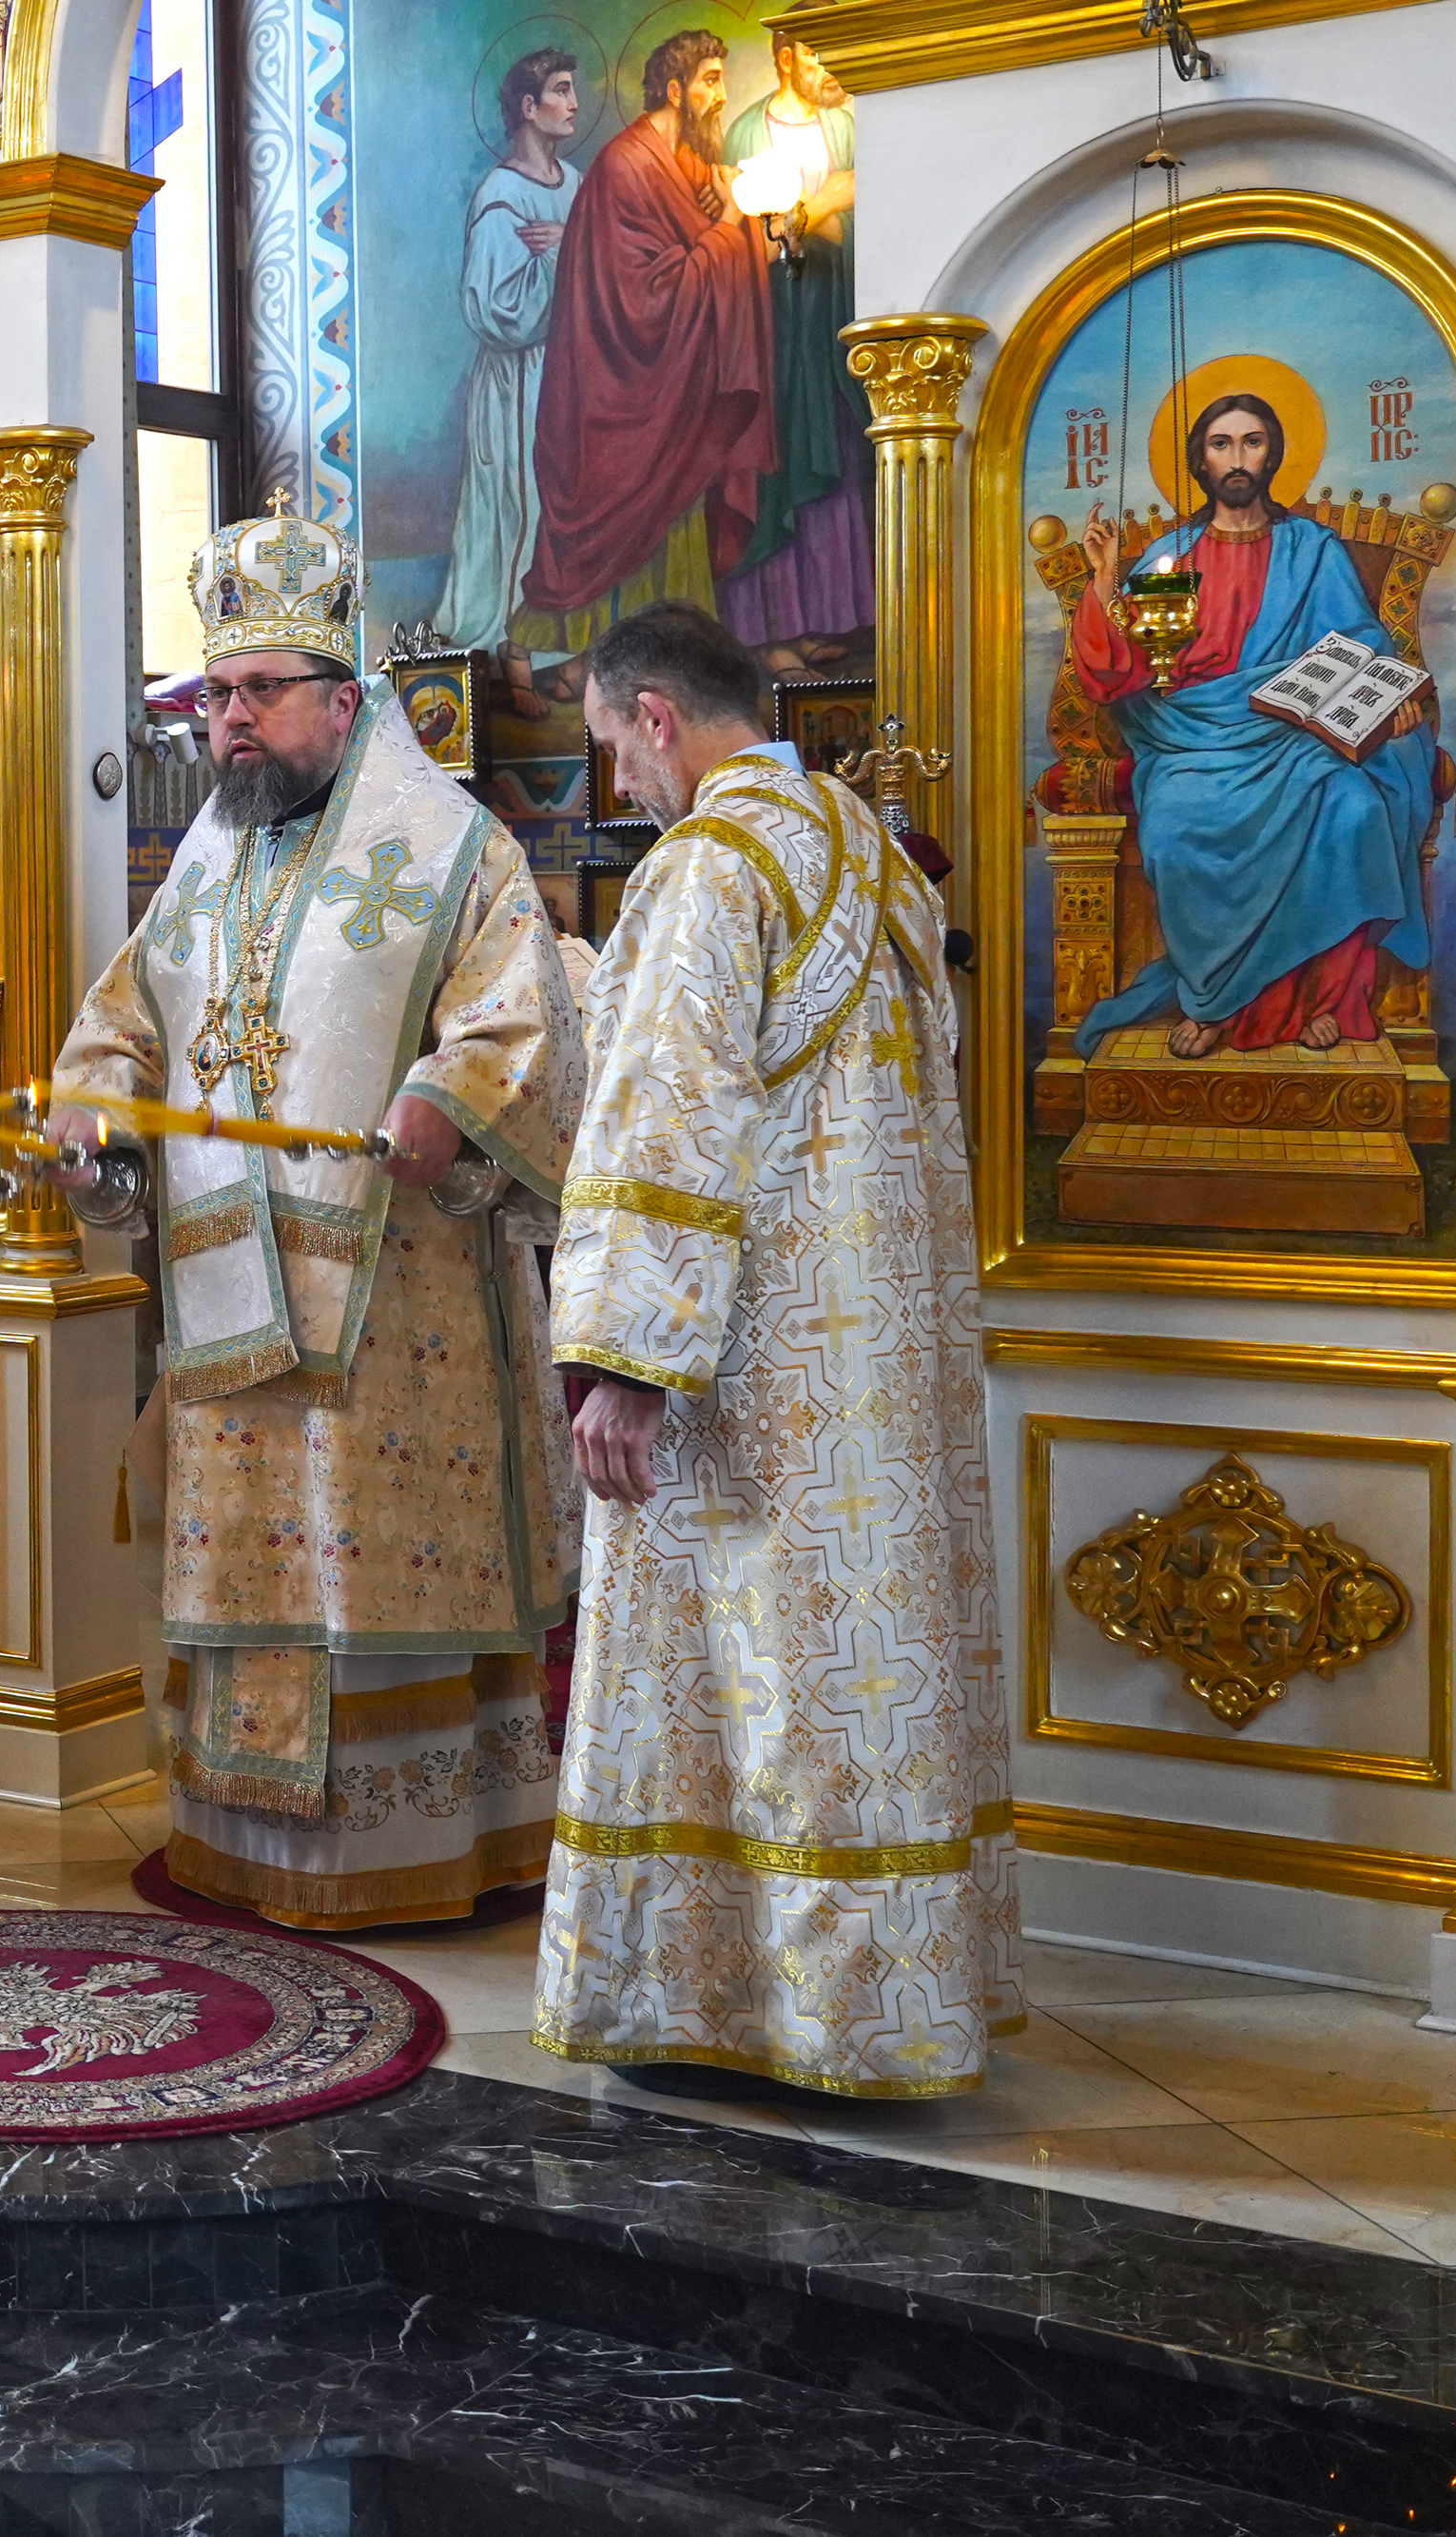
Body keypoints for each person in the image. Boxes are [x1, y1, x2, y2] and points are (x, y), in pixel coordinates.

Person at [48, 500, 584, 1927]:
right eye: (214, 696)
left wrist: (445, 1102)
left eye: (259, 693)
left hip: (398, 1314)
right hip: (230, 1316)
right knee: (245, 1563)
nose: (229, 723)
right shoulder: (202, 871)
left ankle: (423, 1852)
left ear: (346, 701)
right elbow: (121, 1034)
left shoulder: (449, 847)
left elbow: (521, 1026)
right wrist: (92, 1117)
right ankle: (244, 1847)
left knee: (374, 1567)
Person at [542, 600, 1012, 2099]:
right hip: (877, 1358)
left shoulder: (708, 867)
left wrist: (625, 1355)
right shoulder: (873, 857)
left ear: (658, 718)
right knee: (849, 1684)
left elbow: (668, 1113)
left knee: (733, 1670)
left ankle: (736, 2005)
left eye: (616, 747)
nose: (621, 784)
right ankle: (887, 2009)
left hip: (748, 1364)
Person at [1071, 391, 1444, 1058]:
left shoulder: (1311, 550)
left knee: (1355, 808)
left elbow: (1360, 645)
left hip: (1298, 737)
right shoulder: (1171, 553)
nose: (1237, 458)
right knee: (1180, 827)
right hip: (1191, 736)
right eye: (1221, 443)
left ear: (1273, 453)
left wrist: (1391, 700)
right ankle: (1212, 999)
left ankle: (1321, 1001)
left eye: (1251, 442)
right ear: (1200, 461)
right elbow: (1113, 674)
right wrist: (1104, 586)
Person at [521, 29, 775, 629]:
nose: (721, 96)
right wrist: (731, 225)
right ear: (674, 89)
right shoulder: (625, 167)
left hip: (680, 394)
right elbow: (647, 298)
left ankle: (677, 646)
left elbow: (694, 257)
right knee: (639, 520)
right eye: (711, 81)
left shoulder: (687, 163)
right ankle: (586, 654)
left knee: (680, 523)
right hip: (626, 395)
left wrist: (729, 219)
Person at [718, 25, 869, 647]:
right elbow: (734, 222)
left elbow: (875, 203)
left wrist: (822, 216)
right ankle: (778, 628)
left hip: (832, 315)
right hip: (774, 325)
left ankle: (840, 619)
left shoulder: (846, 127)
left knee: (843, 450)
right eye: (817, 51)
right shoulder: (748, 130)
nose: (828, 65)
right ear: (786, 57)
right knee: (782, 461)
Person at [436, 49, 581, 654]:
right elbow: (497, 312)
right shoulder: (500, 194)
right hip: (517, 378)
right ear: (528, 106)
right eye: (562, 90)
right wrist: (557, 260)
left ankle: (554, 627)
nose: (574, 104)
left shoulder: (575, 184)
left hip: (568, 369)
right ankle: (508, 635)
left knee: (562, 496)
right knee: (517, 499)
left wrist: (570, 246)